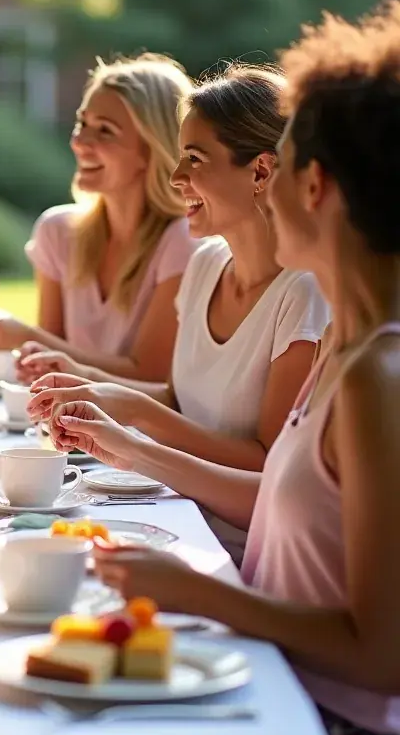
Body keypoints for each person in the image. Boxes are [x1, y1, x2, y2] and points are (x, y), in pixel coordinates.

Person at [49, 2, 400, 735]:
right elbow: (282, 501)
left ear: (311, 184)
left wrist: (199, 593)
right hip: (277, 681)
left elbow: (382, 657)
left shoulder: (379, 375)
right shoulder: (353, 345)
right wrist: (128, 446)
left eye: (282, 168)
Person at [28, 66, 329, 481]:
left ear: (260, 171)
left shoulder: (304, 293)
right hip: (171, 503)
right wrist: (91, 384)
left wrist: (135, 414)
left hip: (230, 541)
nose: (176, 177)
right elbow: (177, 400)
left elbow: (267, 463)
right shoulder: (205, 263)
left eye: (194, 159)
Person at [0, 54, 196, 382]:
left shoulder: (182, 240)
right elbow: (50, 368)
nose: (79, 142)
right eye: (82, 124)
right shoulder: (58, 232)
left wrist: (25, 337)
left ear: (153, 148)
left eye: (105, 131)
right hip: (70, 427)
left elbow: (149, 377)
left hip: (142, 433)